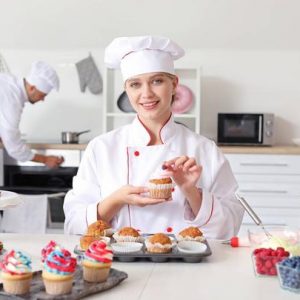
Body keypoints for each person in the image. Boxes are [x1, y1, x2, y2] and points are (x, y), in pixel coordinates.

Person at [64, 36, 244, 239]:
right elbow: (74, 225)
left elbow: (229, 228)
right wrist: (116, 199)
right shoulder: (102, 148)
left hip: (187, 268)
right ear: (126, 90)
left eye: (157, 81)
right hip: (119, 265)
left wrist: (191, 191)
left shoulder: (204, 149)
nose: (146, 93)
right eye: (135, 84)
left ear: (174, 84)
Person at [0, 61, 64, 168]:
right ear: (32, 88)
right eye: (42, 95)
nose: (43, 99)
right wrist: (45, 159)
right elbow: (14, 148)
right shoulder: (13, 100)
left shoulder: (8, 82)